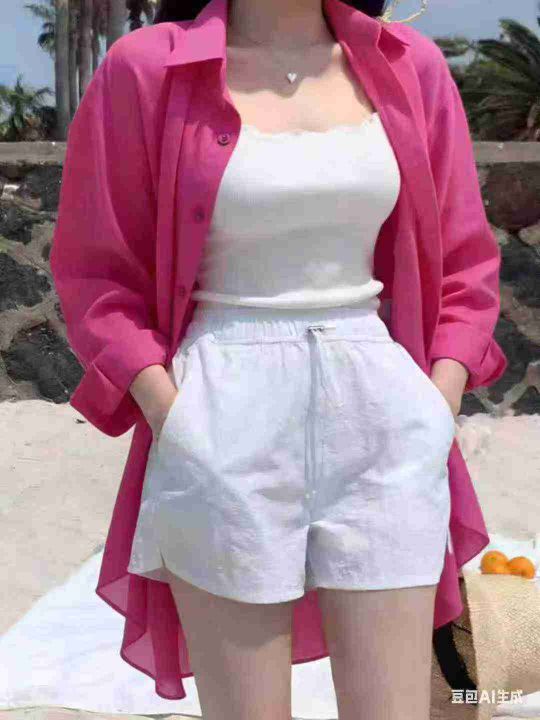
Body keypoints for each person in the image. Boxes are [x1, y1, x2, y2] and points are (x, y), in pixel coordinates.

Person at [49, 0, 508, 718]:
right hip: (220, 406)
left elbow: (465, 261)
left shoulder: (408, 64)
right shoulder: (146, 68)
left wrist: (437, 401)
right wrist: (172, 414)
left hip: (383, 408)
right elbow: (97, 271)